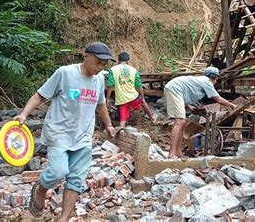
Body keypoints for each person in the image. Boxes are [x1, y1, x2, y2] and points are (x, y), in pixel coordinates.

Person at [14, 42, 116, 221]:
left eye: (104, 64)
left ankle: (64, 218)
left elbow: (100, 104)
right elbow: (40, 95)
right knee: (58, 171)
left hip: (83, 136)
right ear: (86, 56)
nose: (101, 67)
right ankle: (40, 188)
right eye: (98, 62)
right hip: (59, 133)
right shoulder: (65, 73)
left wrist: (108, 125)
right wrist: (23, 114)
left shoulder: (99, 79)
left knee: (76, 180)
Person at [164, 66, 236, 158]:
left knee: (183, 122)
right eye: (216, 80)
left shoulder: (200, 80)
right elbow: (218, 99)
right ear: (214, 78)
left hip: (174, 89)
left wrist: (190, 107)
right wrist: (232, 105)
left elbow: (185, 92)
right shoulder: (207, 82)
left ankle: (178, 152)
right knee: (179, 122)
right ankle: (172, 154)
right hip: (174, 90)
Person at [106, 51, 155, 128]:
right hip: (134, 97)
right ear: (128, 61)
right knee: (143, 102)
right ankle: (152, 119)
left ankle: (121, 131)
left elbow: (110, 85)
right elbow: (138, 85)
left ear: (118, 60)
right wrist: (142, 97)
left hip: (122, 100)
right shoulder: (133, 70)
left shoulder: (113, 70)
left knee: (122, 120)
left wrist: (108, 99)